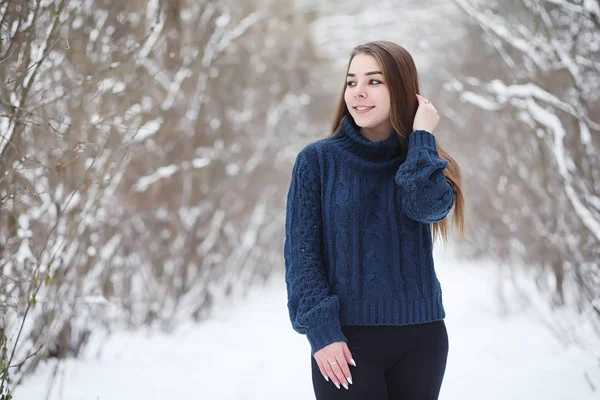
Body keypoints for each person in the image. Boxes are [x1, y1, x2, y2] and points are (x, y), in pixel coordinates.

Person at [283, 41, 465, 400]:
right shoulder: (317, 162)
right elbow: (302, 257)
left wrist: (421, 137)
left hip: (422, 338)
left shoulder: (423, 162)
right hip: (347, 343)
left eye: (374, 81)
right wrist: (322, 333)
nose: (358, 93)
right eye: (351, 82)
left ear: (401, 89)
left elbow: (427, 207)